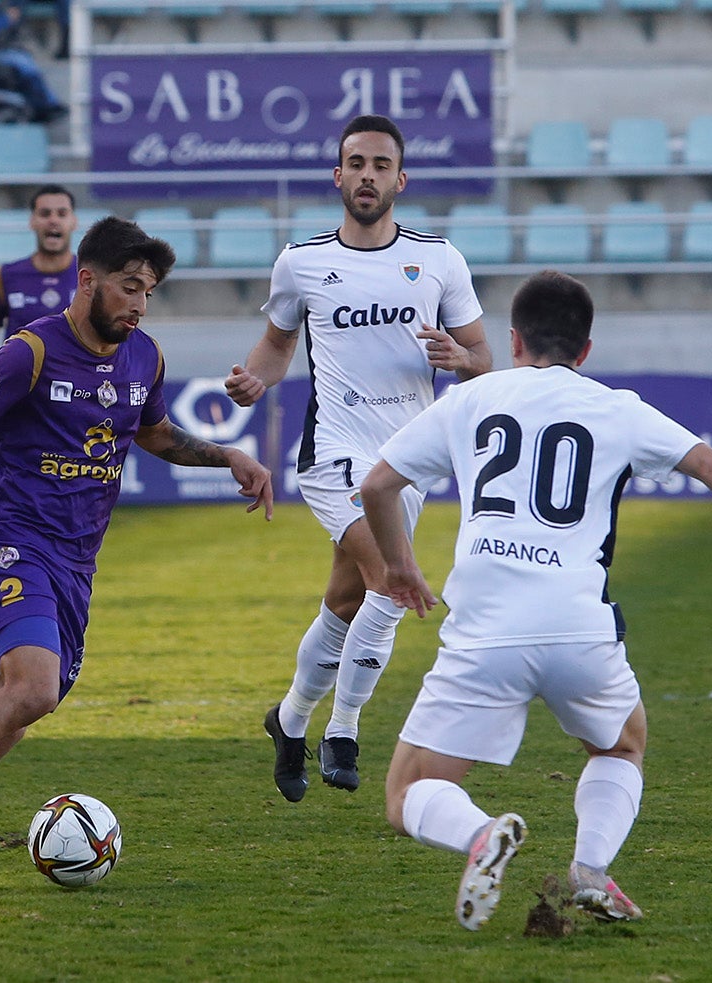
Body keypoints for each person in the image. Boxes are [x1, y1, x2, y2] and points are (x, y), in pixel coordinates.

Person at [360, 269, 712, 930]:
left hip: (487, 630)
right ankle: (589, 867)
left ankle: (481, 835)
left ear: (514, 339)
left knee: (407, 788)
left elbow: (379, 486)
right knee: (622, 744)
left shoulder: (474, 398)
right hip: (580, 627)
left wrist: (400, 566)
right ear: (585, 350)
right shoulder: (617, 407)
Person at [0, 216, 274, 894]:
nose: (139, 304)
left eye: (149, 292)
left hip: (74, 567)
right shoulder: (29, 351)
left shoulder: (143, 356)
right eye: (129, 287)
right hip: (12, 546)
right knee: (31, 687)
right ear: (87, 280)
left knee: (7, 723)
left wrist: (228, 456)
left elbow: (153, 433)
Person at [224, 114, 492, 802]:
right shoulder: (301, 261)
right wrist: (256, 379)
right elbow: (278, 344)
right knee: (387, 577)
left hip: (409, 459)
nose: (367, 175)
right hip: (333, 451)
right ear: (337, 175)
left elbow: (482, 359)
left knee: (347, 597)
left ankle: (288, 721)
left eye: (380, 165)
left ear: (400, 179)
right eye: (356, 163)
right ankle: (342, 728)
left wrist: (460, 359)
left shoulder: (439, 259)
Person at [0, 184, 79, 400]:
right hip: (18, 391)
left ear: (73, 222)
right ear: (32, 221)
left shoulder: (91, 277)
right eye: (45, 213)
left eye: (62, 213)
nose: (53, 220)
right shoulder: (7, 275)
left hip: (72, 392)